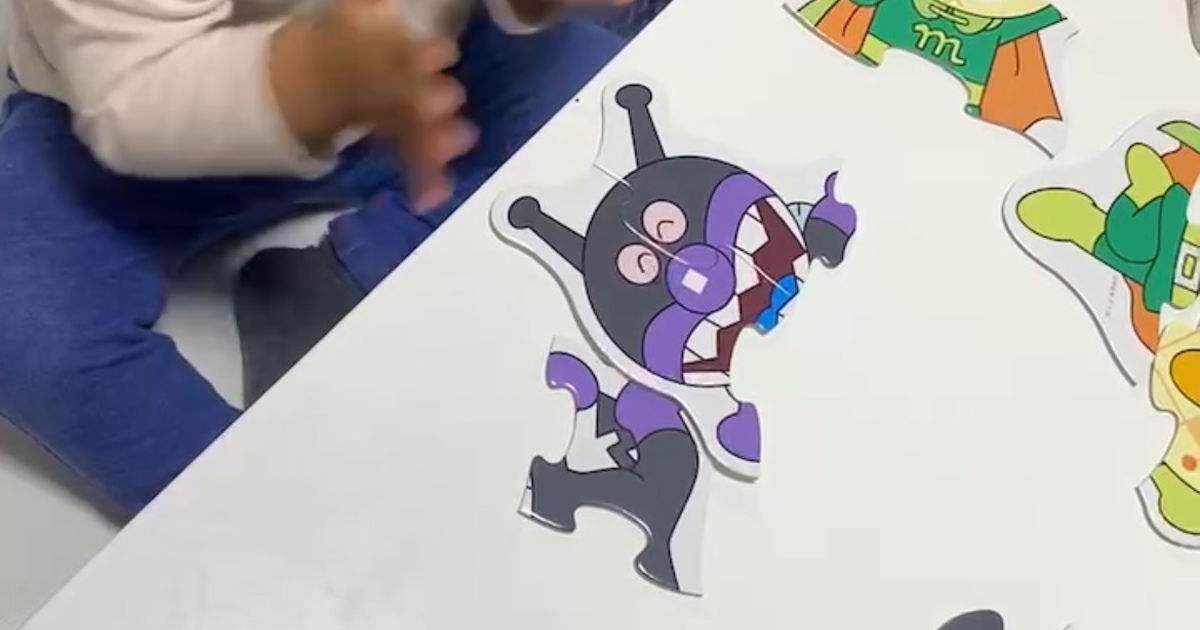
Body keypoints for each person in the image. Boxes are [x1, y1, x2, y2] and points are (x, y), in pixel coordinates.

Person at [0, 0, 632, 514]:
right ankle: (265, 514)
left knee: (600, 95)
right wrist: (321, 81)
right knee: (25, 319)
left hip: (416, 80)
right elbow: (135, 91)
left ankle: (345, 279)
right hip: (120, 133)